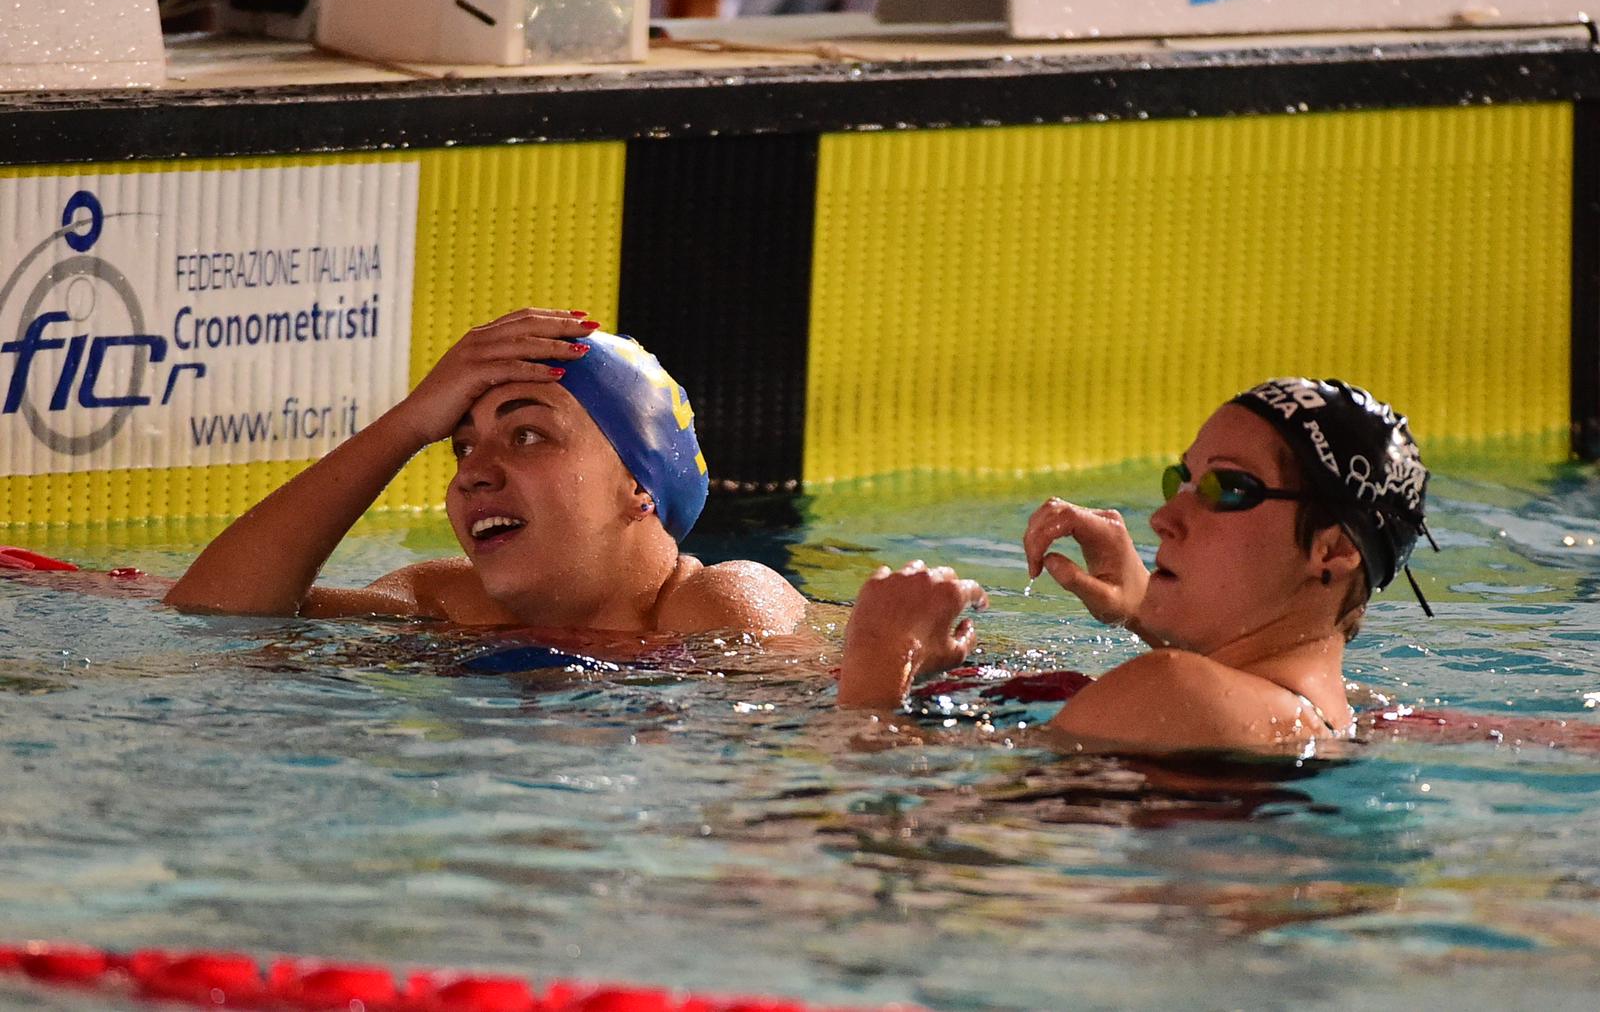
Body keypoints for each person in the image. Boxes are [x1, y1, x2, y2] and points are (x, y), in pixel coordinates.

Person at [837, 377, 1434, 754]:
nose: (1164, 518)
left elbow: (889, 823)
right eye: (1182, 480)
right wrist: (1149, 609)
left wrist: (880, 655)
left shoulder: (1178, 691)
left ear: (1334, 550)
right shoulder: (1340, 715)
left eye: (1228, 489)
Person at [164, 309, 807, 636]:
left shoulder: (715, 603)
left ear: (640, 484)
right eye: (461, 447)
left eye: (527, 435)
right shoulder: (449, 604)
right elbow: (215, 615)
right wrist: (409, 424)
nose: (473, 474)